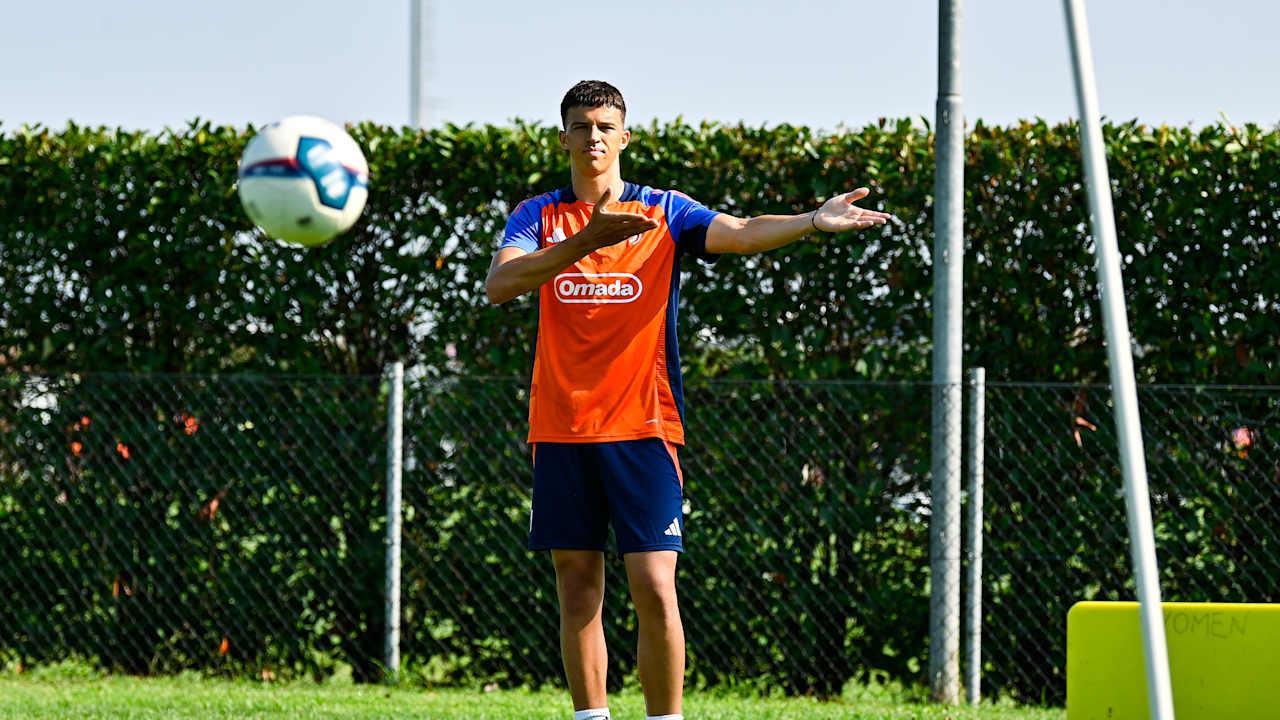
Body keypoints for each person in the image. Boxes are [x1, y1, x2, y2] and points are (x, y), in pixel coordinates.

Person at [485, 80, 890, 720]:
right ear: (562, 137)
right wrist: (585, 242)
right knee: (578, 587)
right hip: (561, 427)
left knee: (653, 585)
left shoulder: (663, 211)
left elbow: (743, 231)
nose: (593, 137)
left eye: (604, 126)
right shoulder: (537, 215)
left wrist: (813, 221)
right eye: (581, 126)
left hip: (644, 427)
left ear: (625, 137)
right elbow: (501, 284)